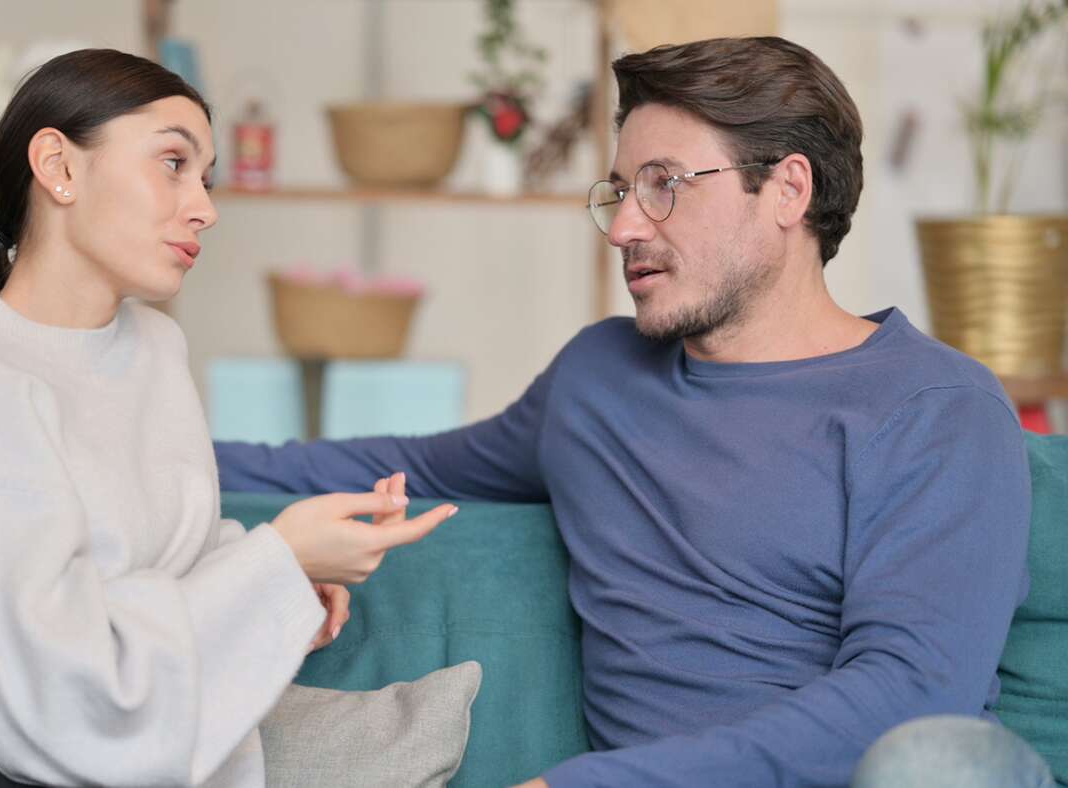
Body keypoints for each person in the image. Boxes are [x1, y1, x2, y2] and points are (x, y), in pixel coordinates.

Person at [215, 37, 1048, 787]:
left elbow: (908, 697)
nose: (622, 228)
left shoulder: (938, 410)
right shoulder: (599, 380)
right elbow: (396, 467)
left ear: (789, 189)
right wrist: (136, 450)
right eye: (619, 189)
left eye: (665, 186)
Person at [0, 49, 458, 788]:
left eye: (206, 178)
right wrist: (275, 563)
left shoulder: (154, 349)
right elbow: (47, 683)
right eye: (174, 164)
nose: (206, 207)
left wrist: (283, 588)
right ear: (58, 166)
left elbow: (171, 563)